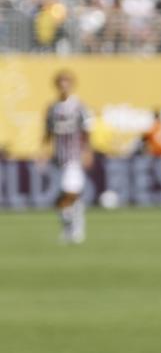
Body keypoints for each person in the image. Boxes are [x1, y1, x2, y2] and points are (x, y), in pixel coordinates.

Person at [44, 70, 93, 244]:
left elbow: (87, 130)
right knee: (63, 197)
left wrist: (87, 151)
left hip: (74, 158)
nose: (63, 86)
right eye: (61, 82)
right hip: (58, 159)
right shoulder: (52, 108)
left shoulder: (79, 106)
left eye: (67, 82)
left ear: (72, 85)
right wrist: (42, 152)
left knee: (69, 193)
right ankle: (71, 226)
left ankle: (74, 226)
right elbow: (47, 132)